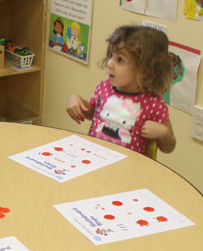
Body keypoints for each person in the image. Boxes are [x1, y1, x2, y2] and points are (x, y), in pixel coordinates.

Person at [66, 25, 176, 154]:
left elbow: (169, 147)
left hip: (127, 169)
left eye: (120, 60)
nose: (109, 63)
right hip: (93, 158)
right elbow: (93, 113)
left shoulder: (153, 103)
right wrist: (75, 101)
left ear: (145, 70)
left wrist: (163, 133)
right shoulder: (105, 87)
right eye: (111, 55)